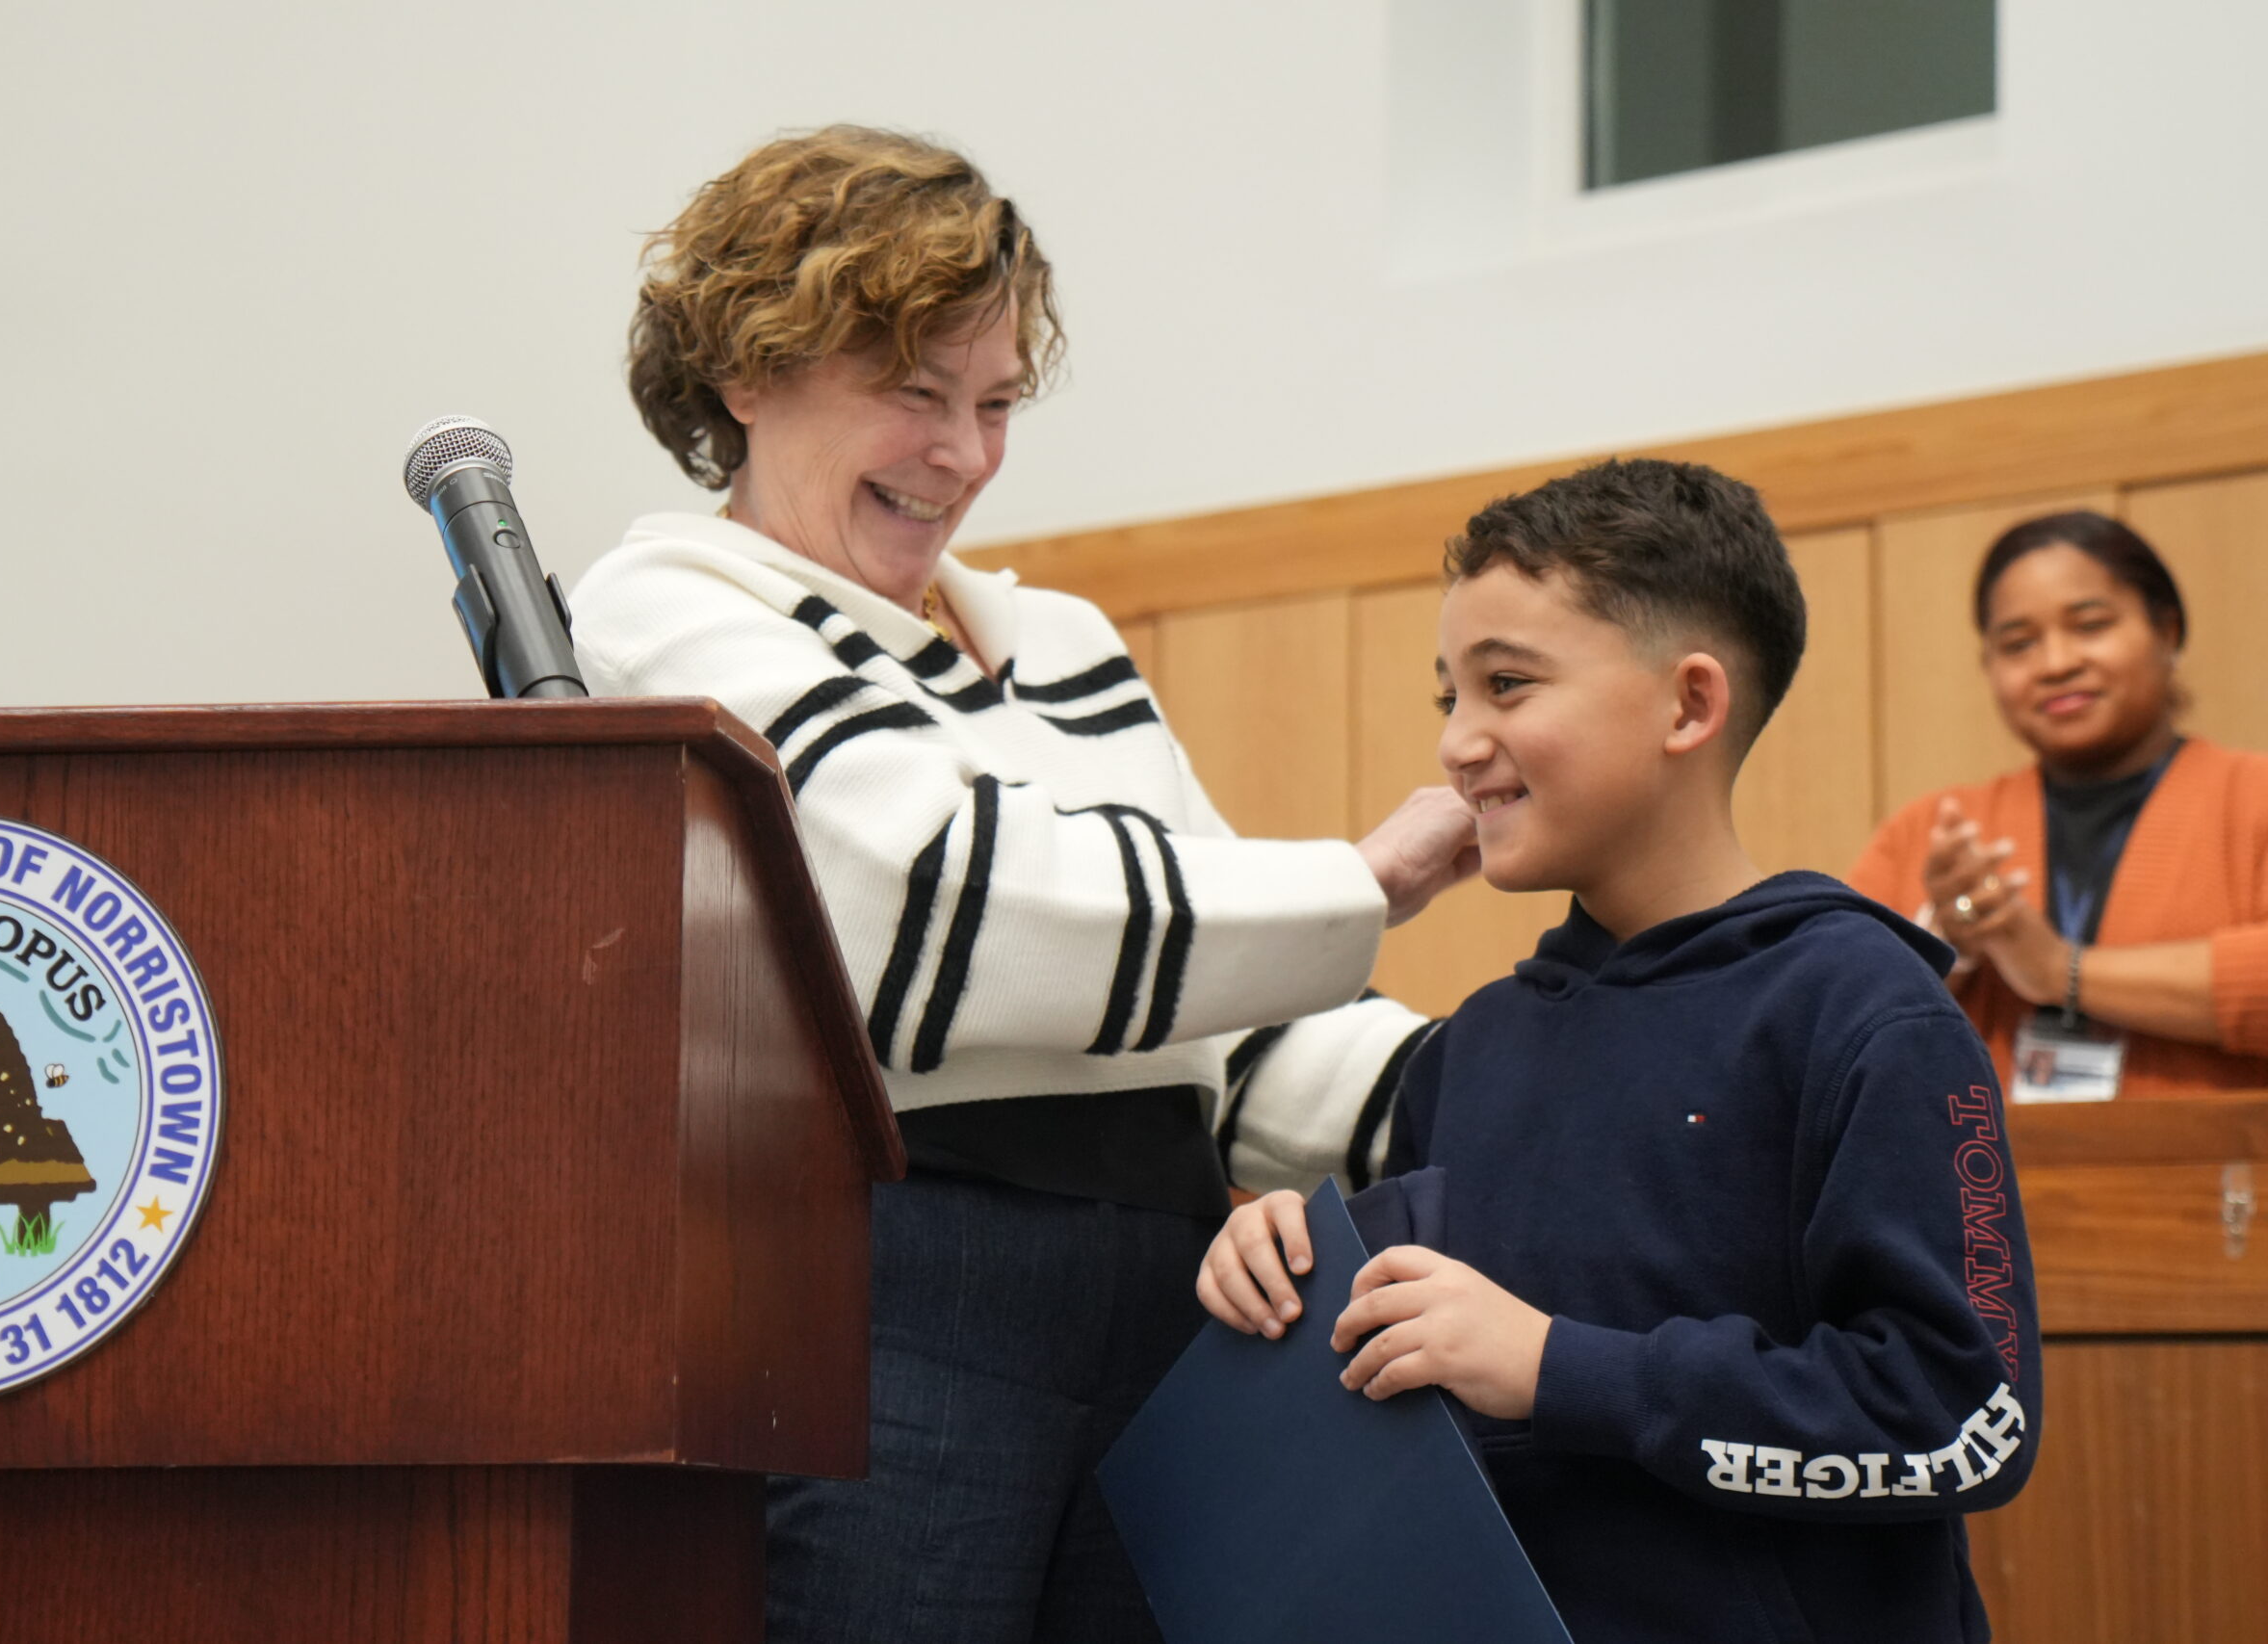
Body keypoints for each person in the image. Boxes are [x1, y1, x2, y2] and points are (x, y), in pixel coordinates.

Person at [569, 126, 1476, 1644]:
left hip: (1185, 1298)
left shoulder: (1062, 640)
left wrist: (1526, 1081)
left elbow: (1227, 1025)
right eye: (913, 392)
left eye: (993, 403)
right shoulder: (659, 611)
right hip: (898, 1293)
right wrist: (1365, 880)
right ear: (744, 370)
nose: (964, 455)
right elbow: (939, 915)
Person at [1197, 460, 2040, 1644]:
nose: (1457, 742)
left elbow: (1963, 1422)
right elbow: (1424, 1344)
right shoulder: (1476, 1047)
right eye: (1448, 696)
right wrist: (1290, 1254)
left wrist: (1563, 1371)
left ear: (1688, 707)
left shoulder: (1864, 1011)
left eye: (1505, 685)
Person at [1849, 511, 2268, 1101]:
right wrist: (1946, 944)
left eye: (2090, 625)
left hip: (2218, 1187)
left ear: (2167, 632)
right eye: (2018, 644)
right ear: (1989, 667)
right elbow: (1832, 1025)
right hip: (1982, 1191)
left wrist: (2061, 972)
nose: (2055, 663)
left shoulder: (2254, 798)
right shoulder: (1932, 832)